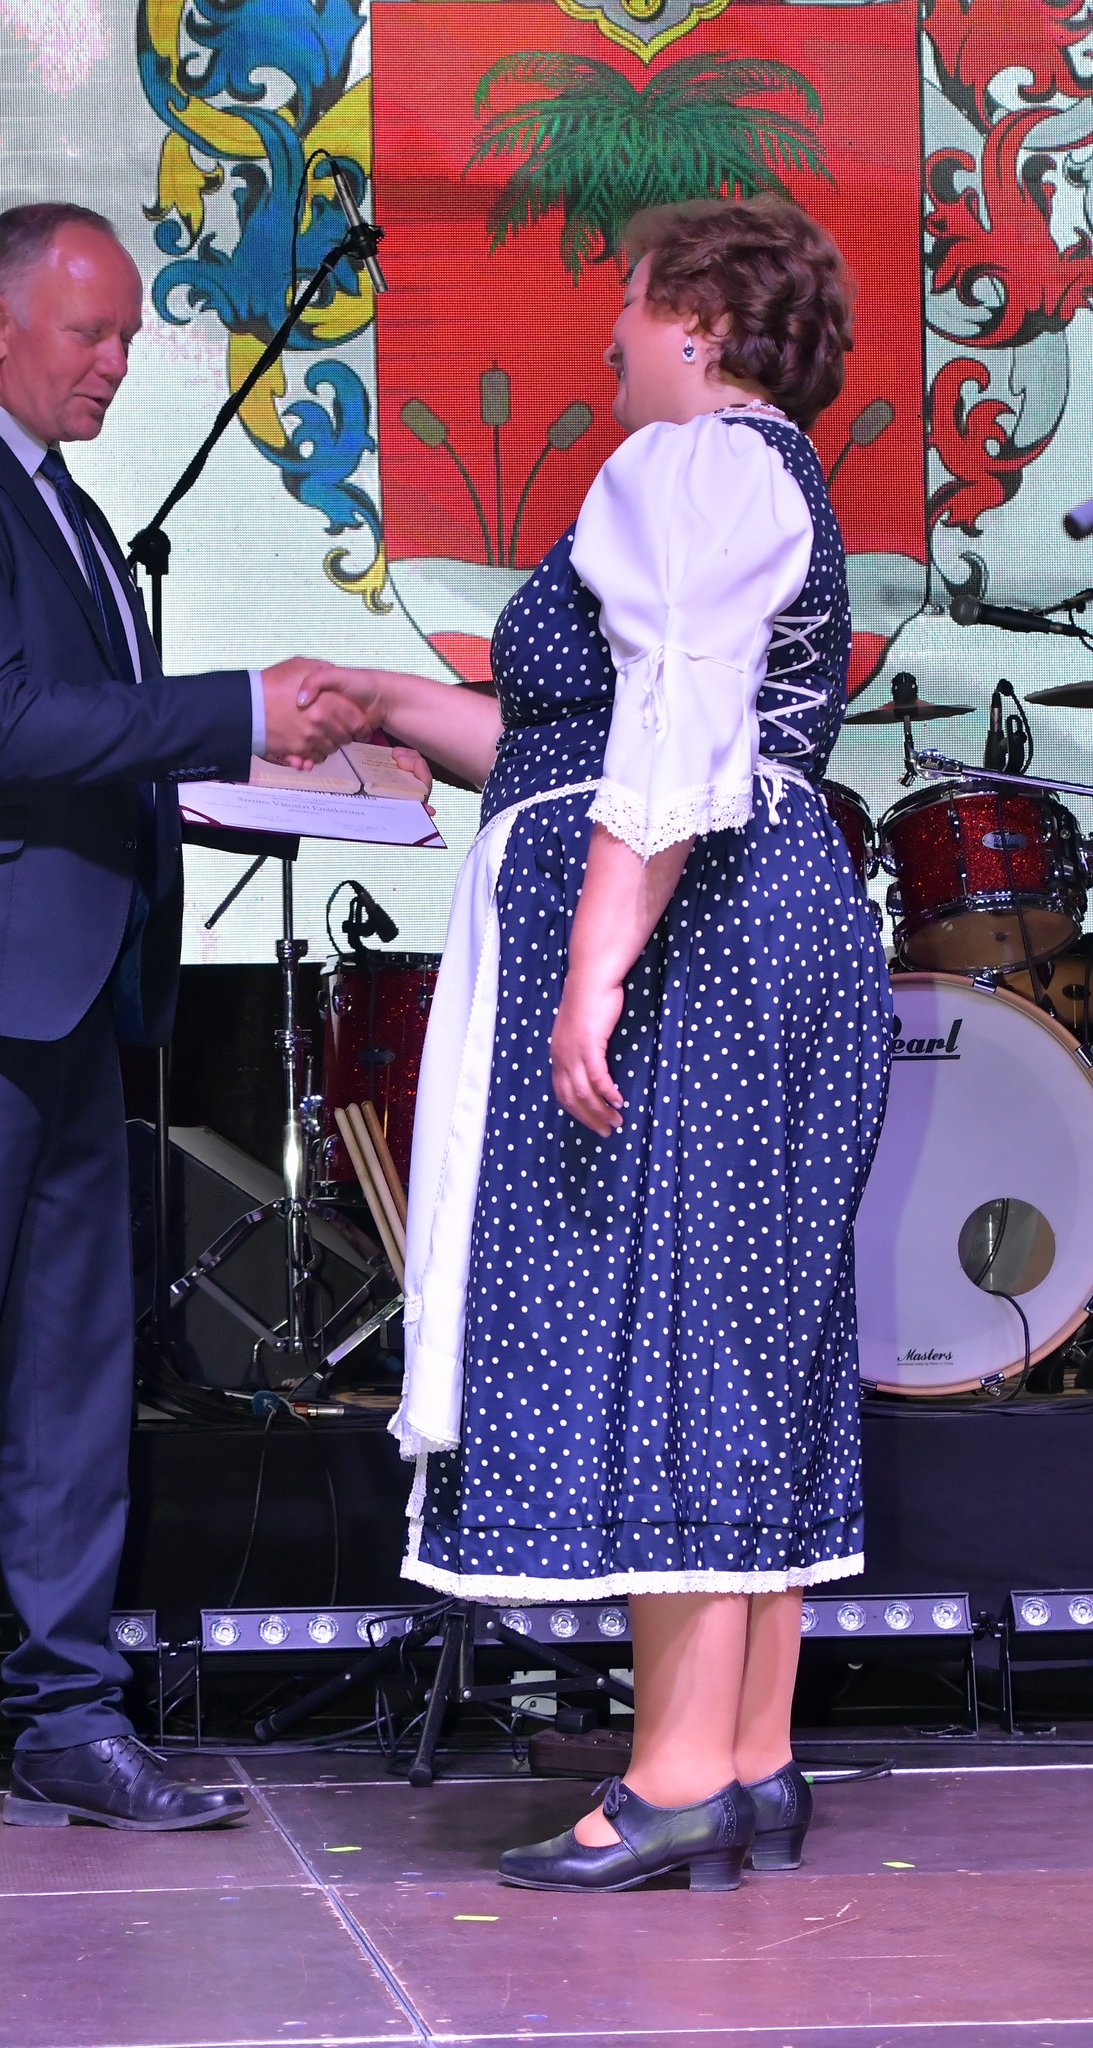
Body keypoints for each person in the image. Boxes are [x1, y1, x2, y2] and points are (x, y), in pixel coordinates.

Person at [315, 198, 891, 1891]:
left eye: (631, 307)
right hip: (756, 913)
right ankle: (750, 1753)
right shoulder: (755, 473)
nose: (612, 340)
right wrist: (385, 702)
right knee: (742, 1320)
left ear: (699, 324)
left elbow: (671, 725)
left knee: (678, 1324)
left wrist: (593, 969)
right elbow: (581, 732)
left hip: (696, 933)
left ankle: (678, 1777)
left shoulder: (692, 463)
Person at [0, 201, 375, 1861]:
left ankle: (71, 1718)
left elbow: (92, 748)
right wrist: (244, 710)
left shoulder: (63, 508)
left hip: (67, 997)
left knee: (73, 1379)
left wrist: (309, 780)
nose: (120, 361)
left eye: (130, 333)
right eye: (92, 331)